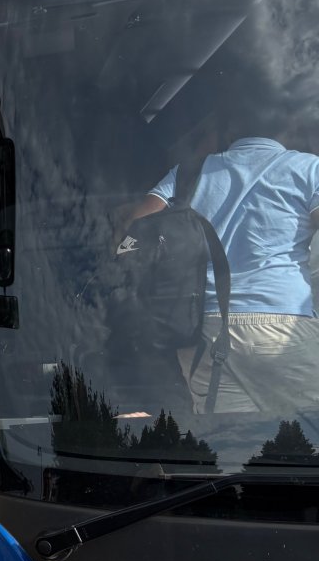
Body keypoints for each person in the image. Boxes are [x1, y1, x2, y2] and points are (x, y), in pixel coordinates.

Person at [128, 133, 319, 416]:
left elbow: (133, 228)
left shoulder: (187, 173)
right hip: (286, 326)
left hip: (204, 329)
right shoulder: (310, 168)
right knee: (306, 433)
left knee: (228, 438)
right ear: (287, 126)